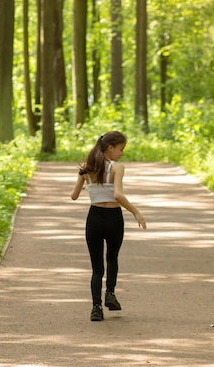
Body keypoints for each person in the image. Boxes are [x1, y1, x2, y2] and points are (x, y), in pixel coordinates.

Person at [70, 131, 147, 321]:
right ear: (110, 148)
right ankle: (110, 294)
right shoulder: (117, 167)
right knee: (112, 258)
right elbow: (118, 195)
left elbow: (74, 196)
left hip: (94, 218)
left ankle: (96, 308)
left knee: (97, 267)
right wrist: (136, 211)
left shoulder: (87, 167)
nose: (122, 153)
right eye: (121, 149)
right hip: (113, 218)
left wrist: (85, 179)